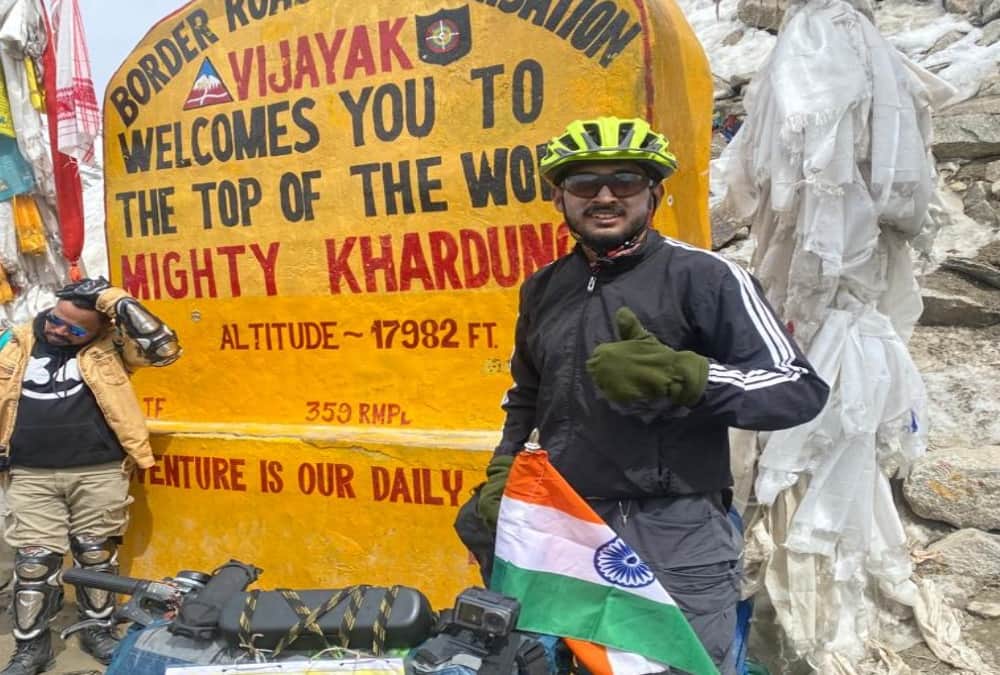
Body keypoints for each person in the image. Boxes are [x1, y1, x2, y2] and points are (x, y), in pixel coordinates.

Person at [471, 117, 830, 673]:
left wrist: (689, 377)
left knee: (683, 664)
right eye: (586, 185)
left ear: (654, 194)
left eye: (626, 182)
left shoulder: (706, 276)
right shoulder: (543, 287)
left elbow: (797, 387)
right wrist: (505, 475)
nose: (606, 196)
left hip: (675, 524)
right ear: (560, 198)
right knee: (555, 660)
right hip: (566, 519)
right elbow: (527, 398)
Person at [0, 277, 181, 675]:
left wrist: (116, 300)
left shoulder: (113, 348)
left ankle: (96, 631)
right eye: (56, 319)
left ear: (100, 330)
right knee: (34, 563)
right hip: (31, 472)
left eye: (74, 328)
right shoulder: (13, 341)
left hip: (98, 470)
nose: (59, 329)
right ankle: (31, 648)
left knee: (96, 556)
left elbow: (165, 349)